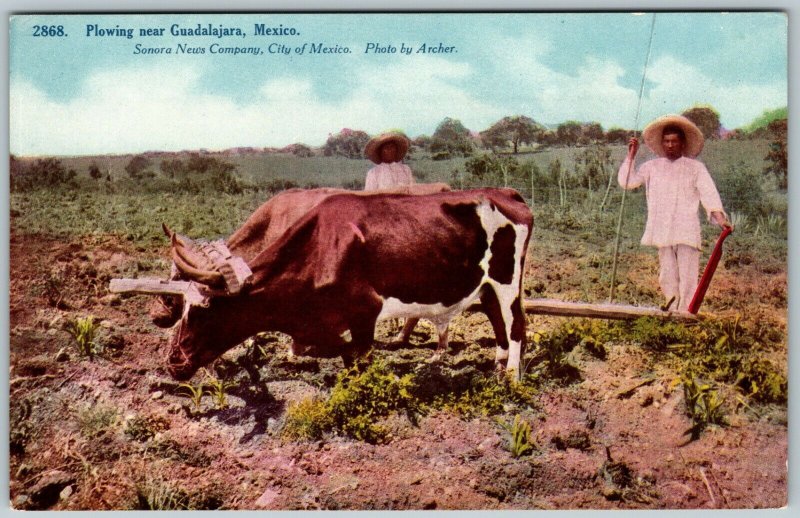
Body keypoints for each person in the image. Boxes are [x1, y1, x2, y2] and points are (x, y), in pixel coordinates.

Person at [619, 114, 731, 312]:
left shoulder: (695, 168)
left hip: (686, 229)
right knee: (667, 276)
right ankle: (671, 314)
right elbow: (627, 182)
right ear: (662, 143)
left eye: (674, 141)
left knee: (687, 277)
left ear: (682, 143)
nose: (670, 145)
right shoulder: (651, 167)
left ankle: (686, 315)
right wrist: (631, 156)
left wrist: (721, 220)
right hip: (662, 230)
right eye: (666, 141)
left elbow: (709, 195)